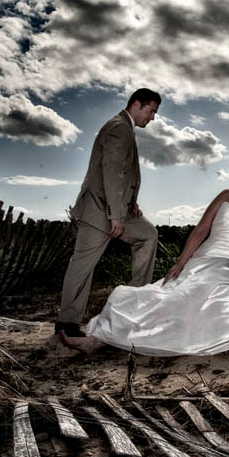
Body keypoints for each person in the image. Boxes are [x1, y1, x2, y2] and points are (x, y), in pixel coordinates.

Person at [60, 151, 229, 356]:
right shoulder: (227, 196)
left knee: (207, 302)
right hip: (203, 262)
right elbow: (200, 232)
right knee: (171, 298)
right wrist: (180, 264)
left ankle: (103, 341)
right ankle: (98, 340)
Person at [55, 88, 162, 338]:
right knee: (82, 265)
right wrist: (115, 214)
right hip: (99, 209)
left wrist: (131, 202)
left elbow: (123, 175)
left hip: (118, 208)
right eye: (151, 111)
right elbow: (111, 172)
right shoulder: (119, 127)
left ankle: (134, 304)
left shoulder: (126, 129)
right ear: (136, 104)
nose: (153, 117)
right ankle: (66, 322)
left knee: (148, 235)